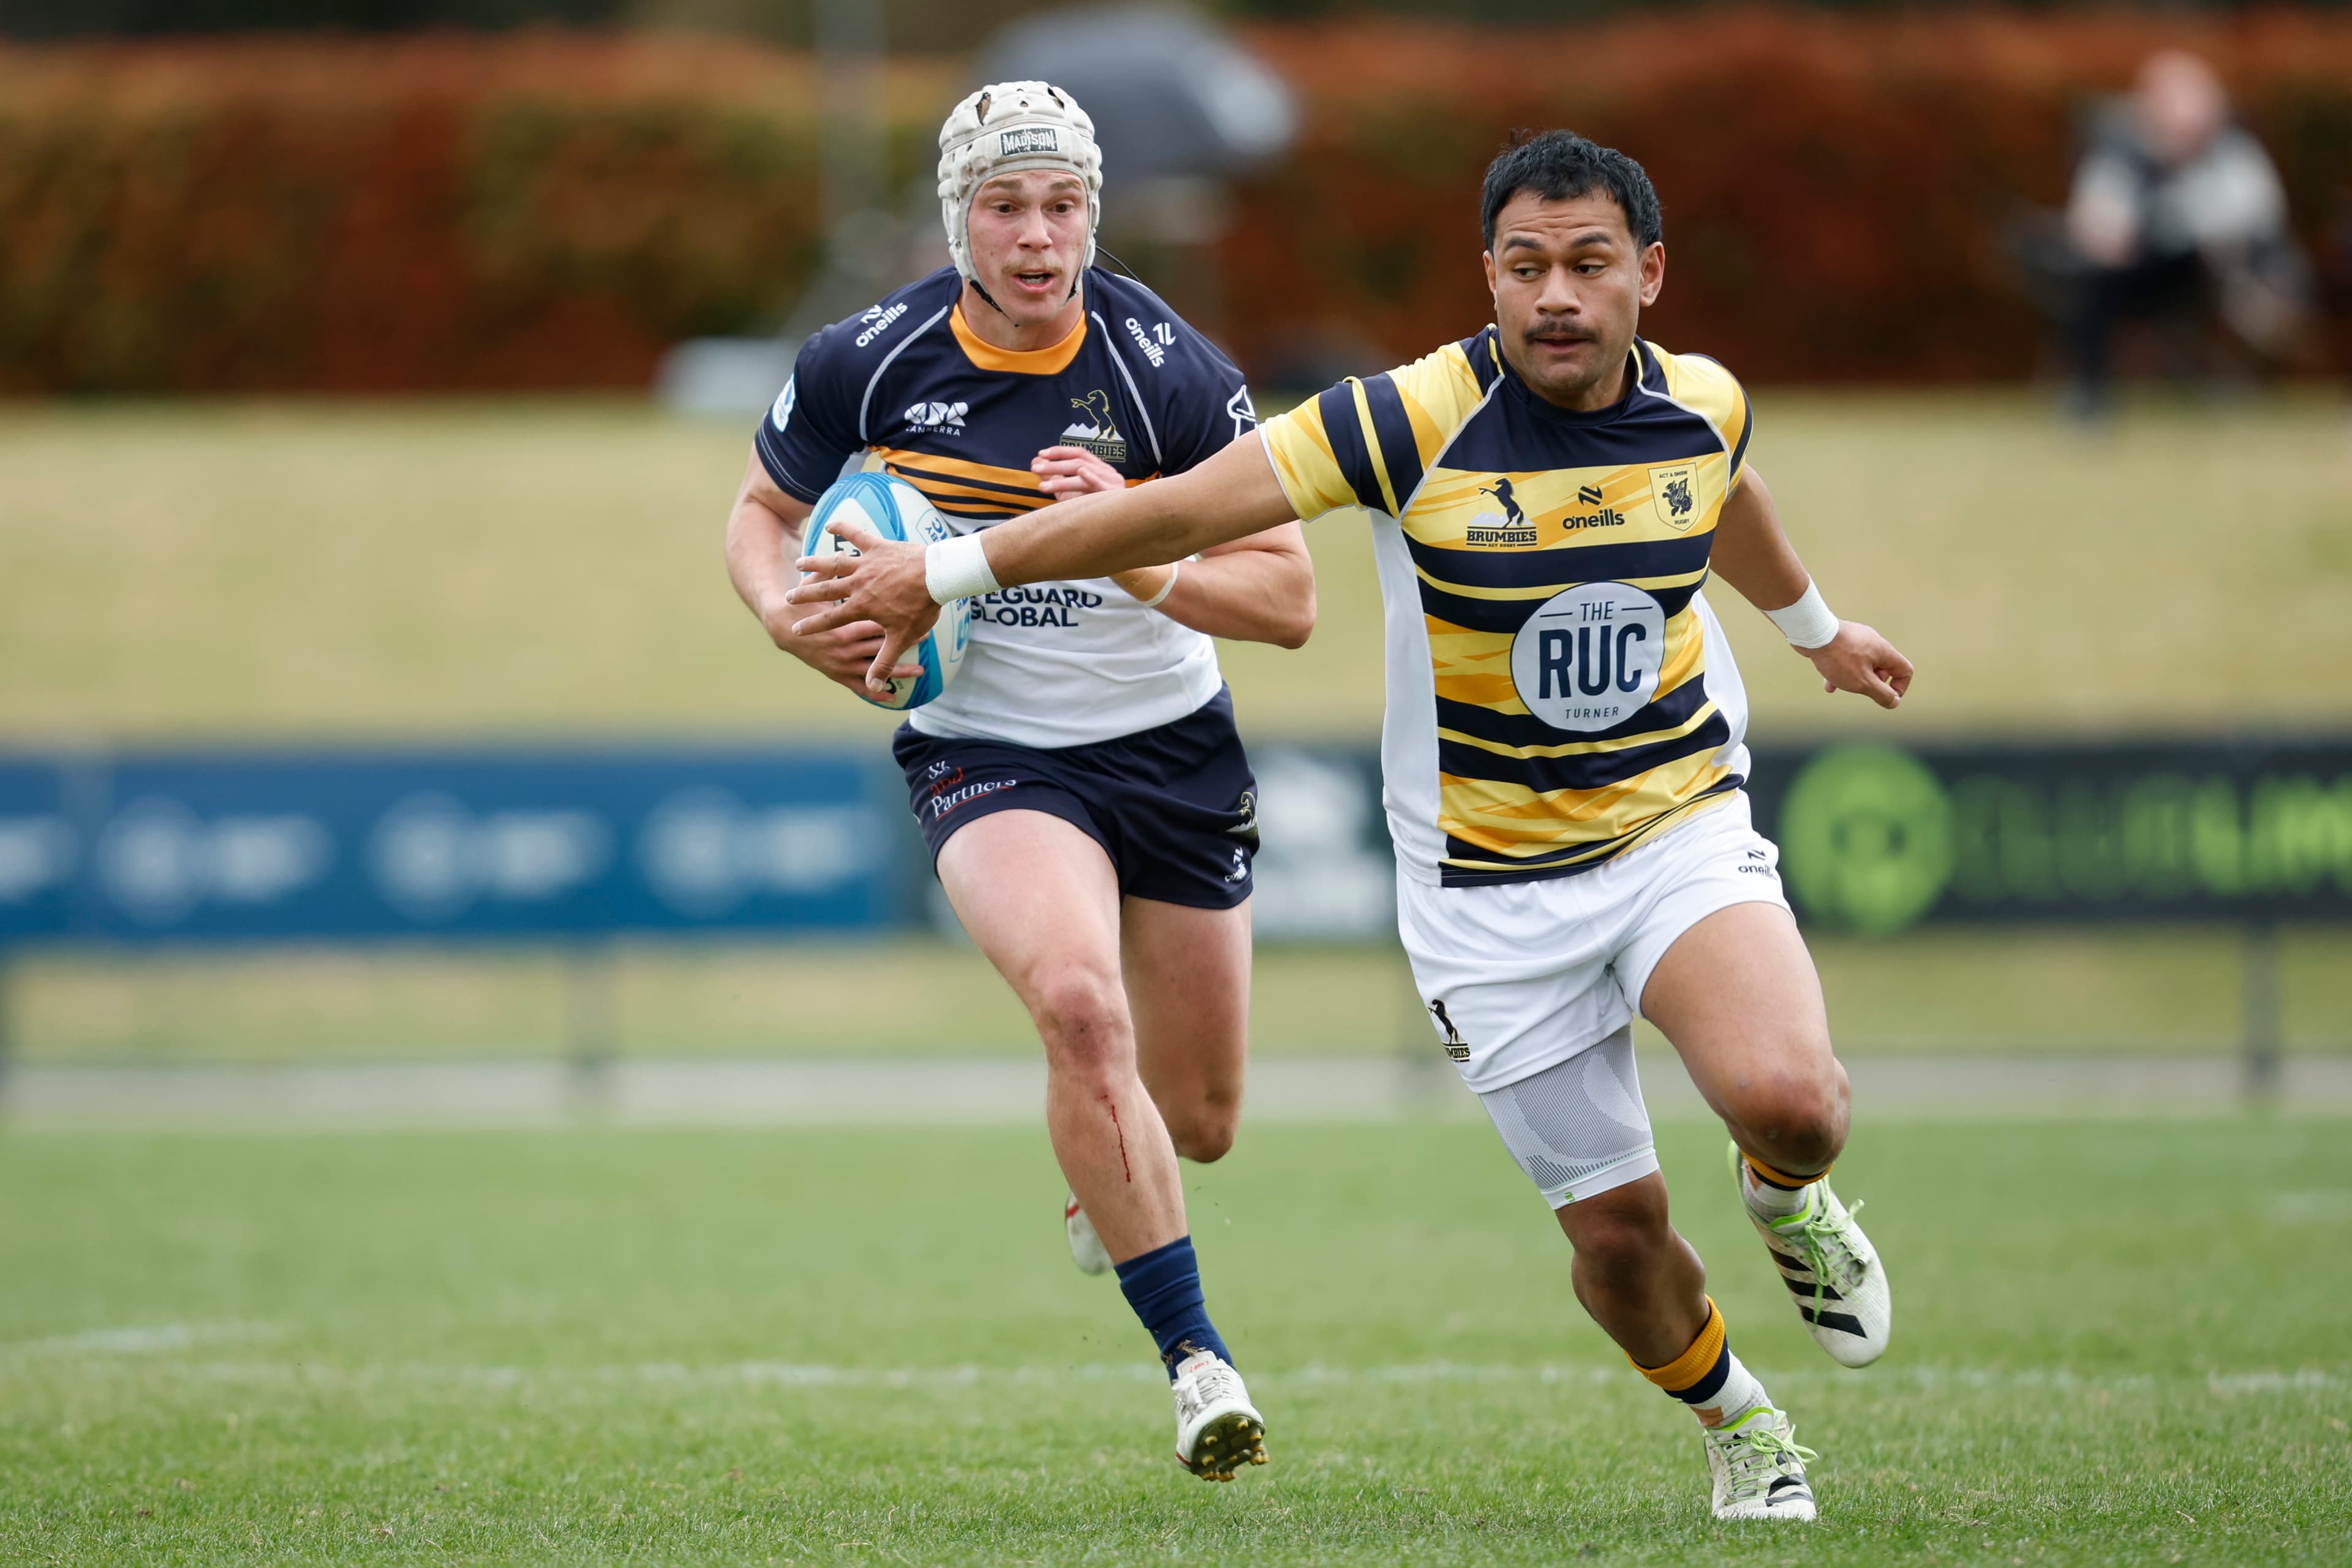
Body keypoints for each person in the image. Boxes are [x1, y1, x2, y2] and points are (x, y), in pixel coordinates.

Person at [791, 129, 1915, 1525]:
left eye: (1586, 265)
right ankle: (1740, 1418)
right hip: (1489, 895)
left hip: (1669, 825)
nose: (1555, 296)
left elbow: (1720, 491)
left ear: (1648, 275)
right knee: (1620, 1244)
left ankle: (1785, 1193)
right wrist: (940, 566)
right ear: (1486, 280)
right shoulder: (1402, 418)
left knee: (1793, 1100)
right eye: (1524, 268)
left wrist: (1815, 629)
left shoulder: (1704, 403)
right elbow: (1184, 508)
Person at [724, 80, 1313, 1482]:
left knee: (1205, 1118)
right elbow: (760, 512)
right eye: (1004, 204)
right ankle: (1197, 1362)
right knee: (1073, 1005)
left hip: (1170, 748)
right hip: (986, 748)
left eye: (1061, 205)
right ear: (958, 216)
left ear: (1091, 216)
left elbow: (1286, 598)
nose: (1036, 235)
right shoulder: (866, 358)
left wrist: (1124, 545)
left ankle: (1104, 1161)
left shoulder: (1168, 368)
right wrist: (777, 612)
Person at [2019, 50, 2314, 418]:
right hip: (2144, 272)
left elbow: (2261, 219)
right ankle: (2090, 395)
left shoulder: (2233, 154)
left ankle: (2256, 345)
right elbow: (2096, 221)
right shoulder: (2122, 154)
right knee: (2094, 281)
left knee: (2248, 271)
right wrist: (2114, 236)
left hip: (2213, 273)